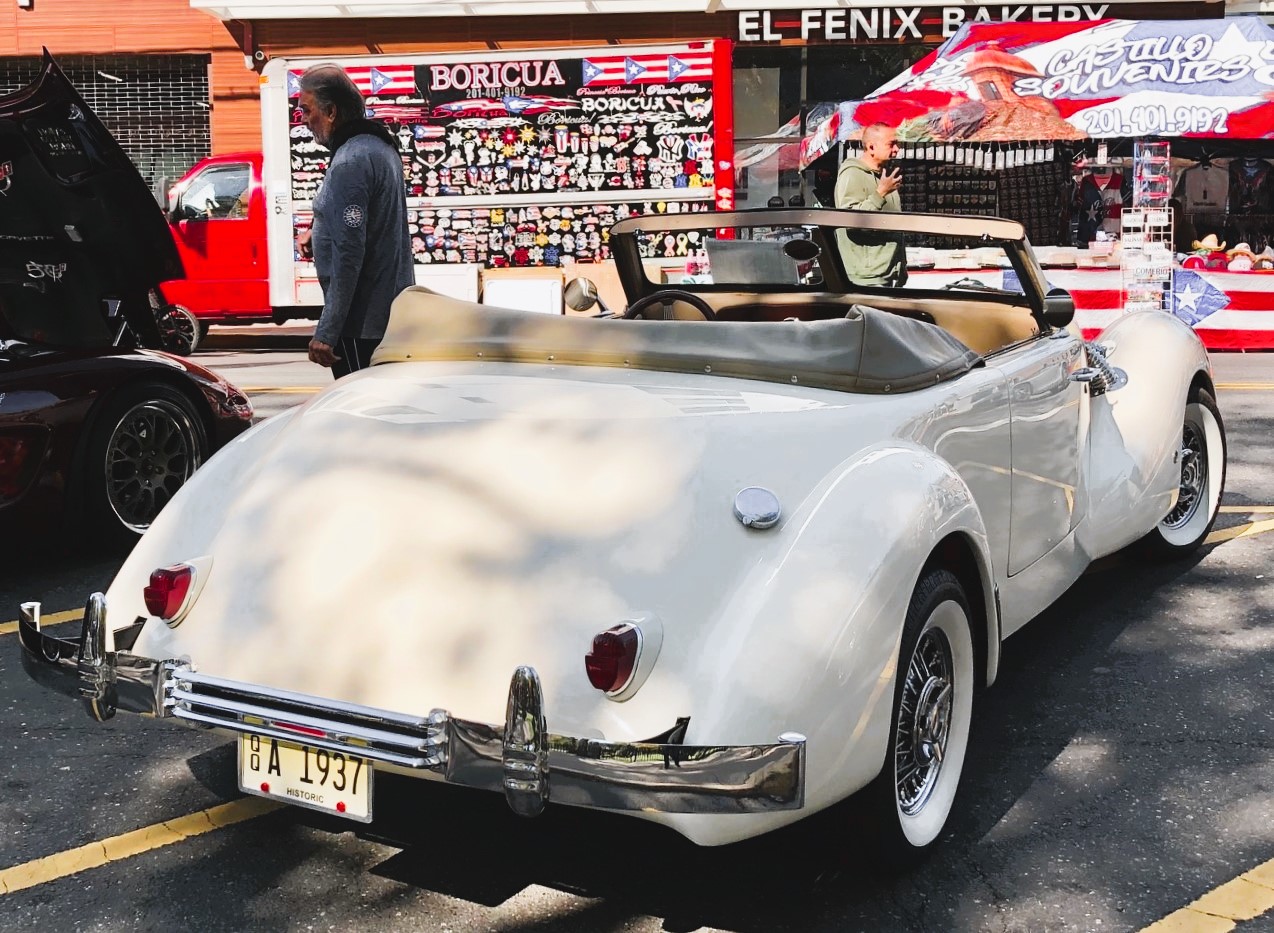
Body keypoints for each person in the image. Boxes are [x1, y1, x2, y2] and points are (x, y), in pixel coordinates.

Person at [296, 64, 414, 379]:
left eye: (306, 111)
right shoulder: (379, 147)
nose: (304, 120)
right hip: (389, 316)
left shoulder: (351, 160)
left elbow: (349, 254)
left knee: (360, 416)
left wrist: (328, 331)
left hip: (361, 326)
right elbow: (365, 221)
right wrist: (318, 229)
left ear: (331, 111)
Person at [834, 123, 908, 286]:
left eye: (897, 144)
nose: (896, 150)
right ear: (871, 147)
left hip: (886, 274)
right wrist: (880, 193)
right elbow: (850, 222)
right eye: (891, 144)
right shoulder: (852, 174)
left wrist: (900, 267)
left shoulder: (884, 178)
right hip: (866, 278)